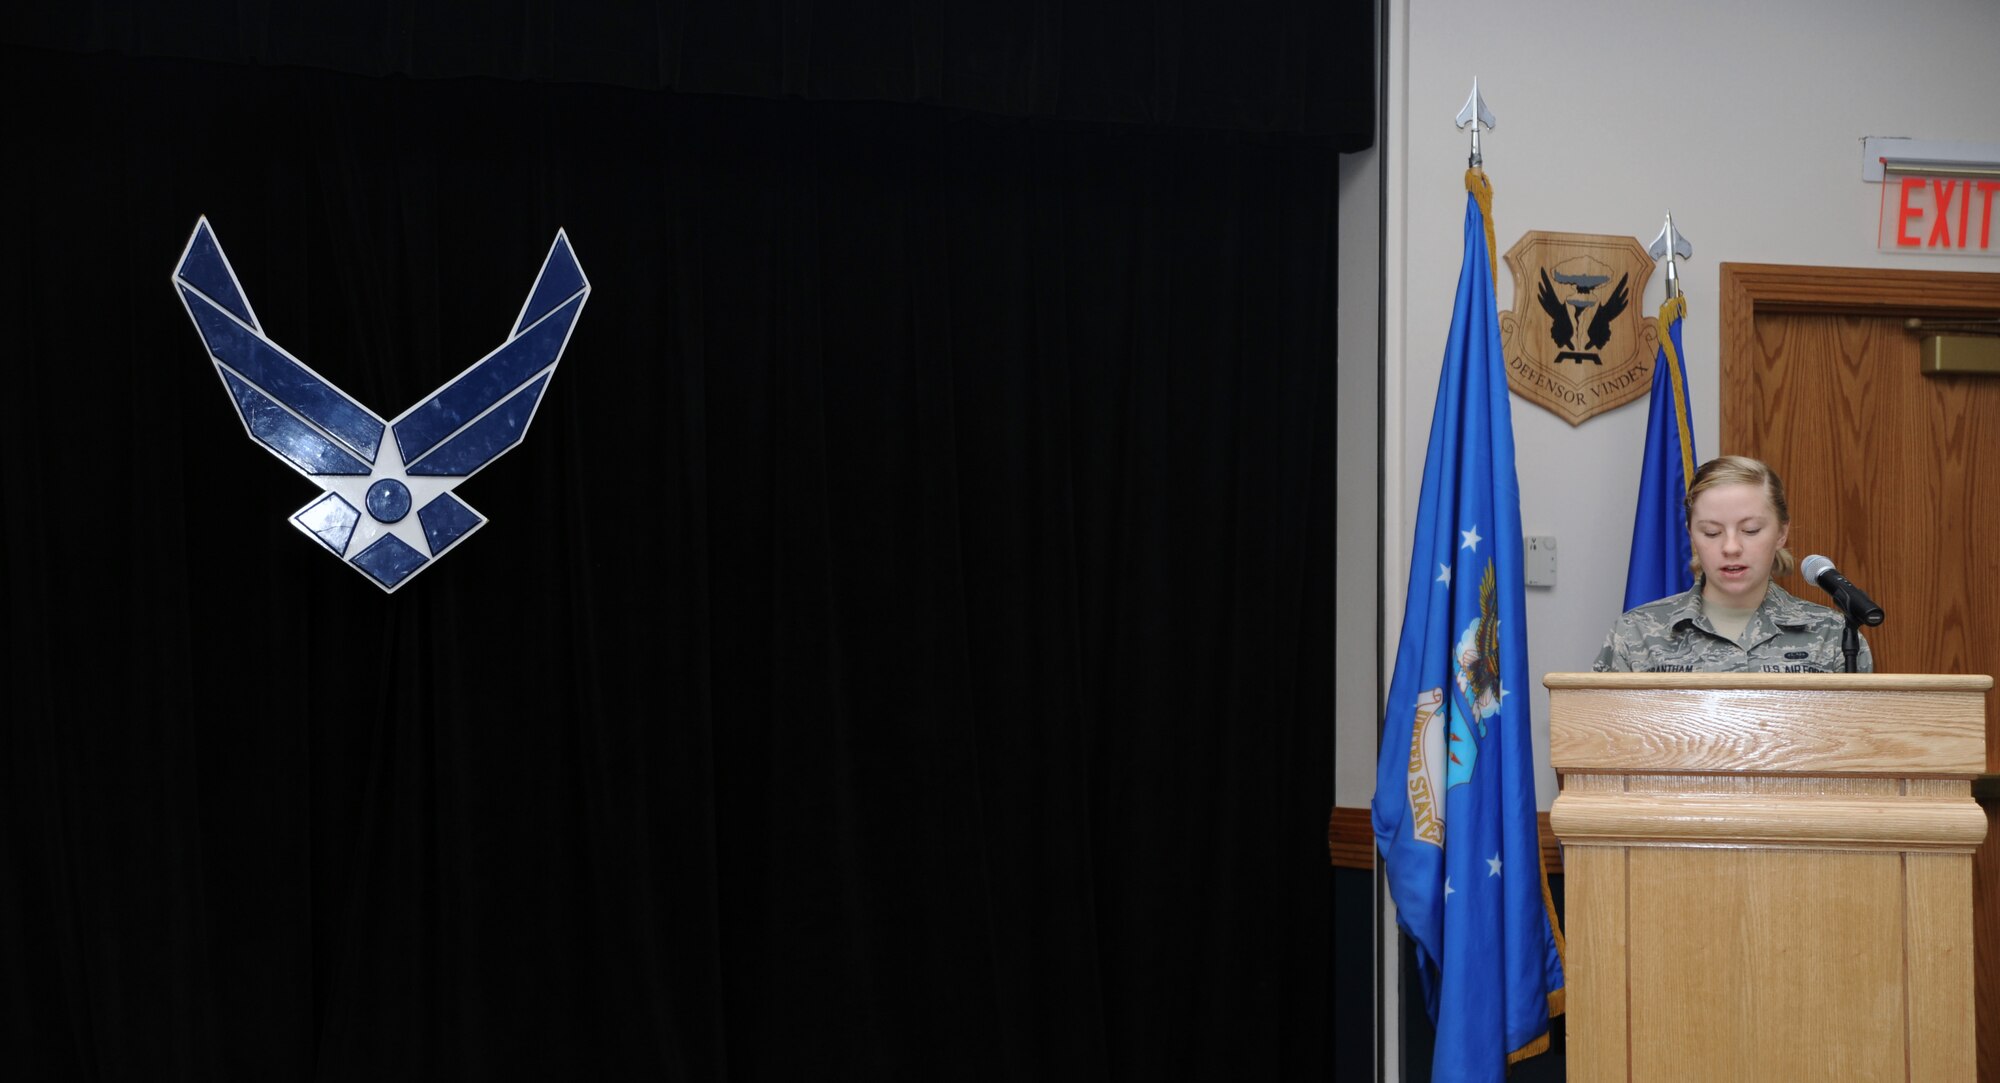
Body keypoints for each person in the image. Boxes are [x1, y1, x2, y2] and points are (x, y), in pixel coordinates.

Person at [1593, 455, 1872, 673]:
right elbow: (1599, 742)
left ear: (1781, 533)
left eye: (1750, 530)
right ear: (1691, 535)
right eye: (1711, 533)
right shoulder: (1636, 632)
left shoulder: (1833, 635)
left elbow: (1864, 741)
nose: (1730, 547)